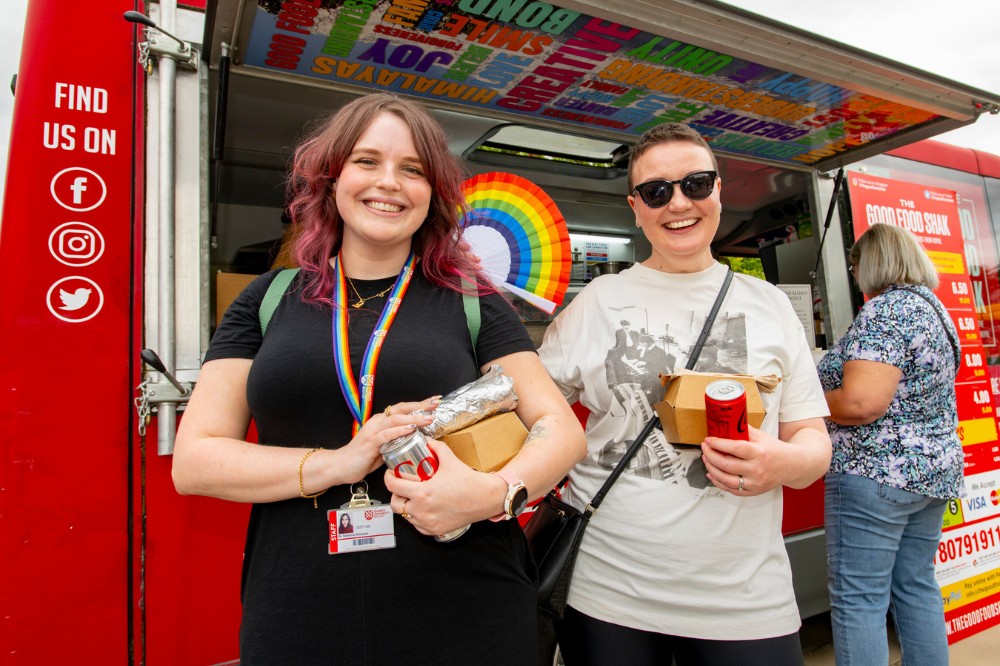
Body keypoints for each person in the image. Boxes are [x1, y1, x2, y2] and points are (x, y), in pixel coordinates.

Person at [172, 92, 586, 665]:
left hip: (468, 606)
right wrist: (339, 462)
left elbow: (560, 429)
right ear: (332, 177)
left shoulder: (472, 303)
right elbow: (194, 462)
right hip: (299, 604)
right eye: (367, 161)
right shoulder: (266, 300)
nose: (389, 182)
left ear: (432, 193)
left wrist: (491, 494)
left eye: (413, 169)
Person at [538, 122, 832, 665]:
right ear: (636, 207)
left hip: (747, 600)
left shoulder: (771, 306)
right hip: (609, 592)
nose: (678, 203)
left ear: (718, 189)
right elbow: (530, 414)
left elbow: (814, 442)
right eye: (657, 191)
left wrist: (782, 463)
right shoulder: (596, 303)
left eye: (695, 184)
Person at [818, 223, 964, 666]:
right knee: (916, 586)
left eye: (856, 264)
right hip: (930, 474)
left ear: (872, 263)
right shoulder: (932, 308)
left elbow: (861, 403)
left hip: (875, 474)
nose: (855, 273)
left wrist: (807, 405)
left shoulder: (886, 311)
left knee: (859, 599)